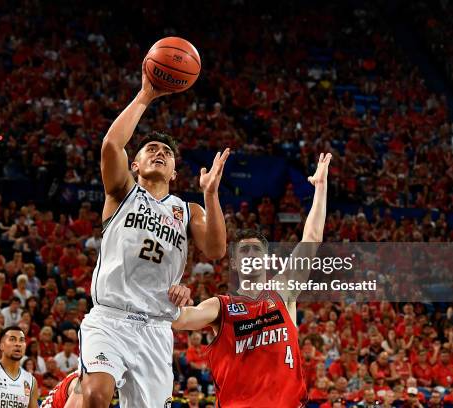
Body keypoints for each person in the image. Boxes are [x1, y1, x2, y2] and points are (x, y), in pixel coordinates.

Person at [79, 62, 229, 408]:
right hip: (110, 319)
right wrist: (147, 94)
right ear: (135, 165)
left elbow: (217, 249)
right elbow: (110, 147)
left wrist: (210, 194)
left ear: (175, 172)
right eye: (150, 150)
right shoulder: (122, 192)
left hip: (156, 327)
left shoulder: (188, 210)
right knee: (96, 394)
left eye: (166, 153)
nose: (159, 153)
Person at [172, 153, 331, 407]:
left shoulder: (283, 291)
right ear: (234, 262)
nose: (251, 254)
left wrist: (320, 188)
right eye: (244, 250)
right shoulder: (219, 306)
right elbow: (179, 319)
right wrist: (174, 298)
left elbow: (311, 237)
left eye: (257, 250)